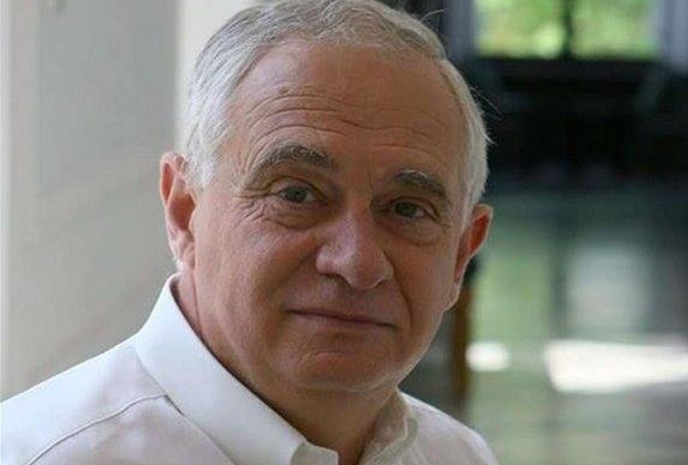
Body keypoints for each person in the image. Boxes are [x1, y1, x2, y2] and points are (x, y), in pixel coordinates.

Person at [1, 1, 495, 464]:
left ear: (460, 255)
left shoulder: (457, 454)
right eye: (295, 194)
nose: (356, 261)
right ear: (184, 213)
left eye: (408, 209)